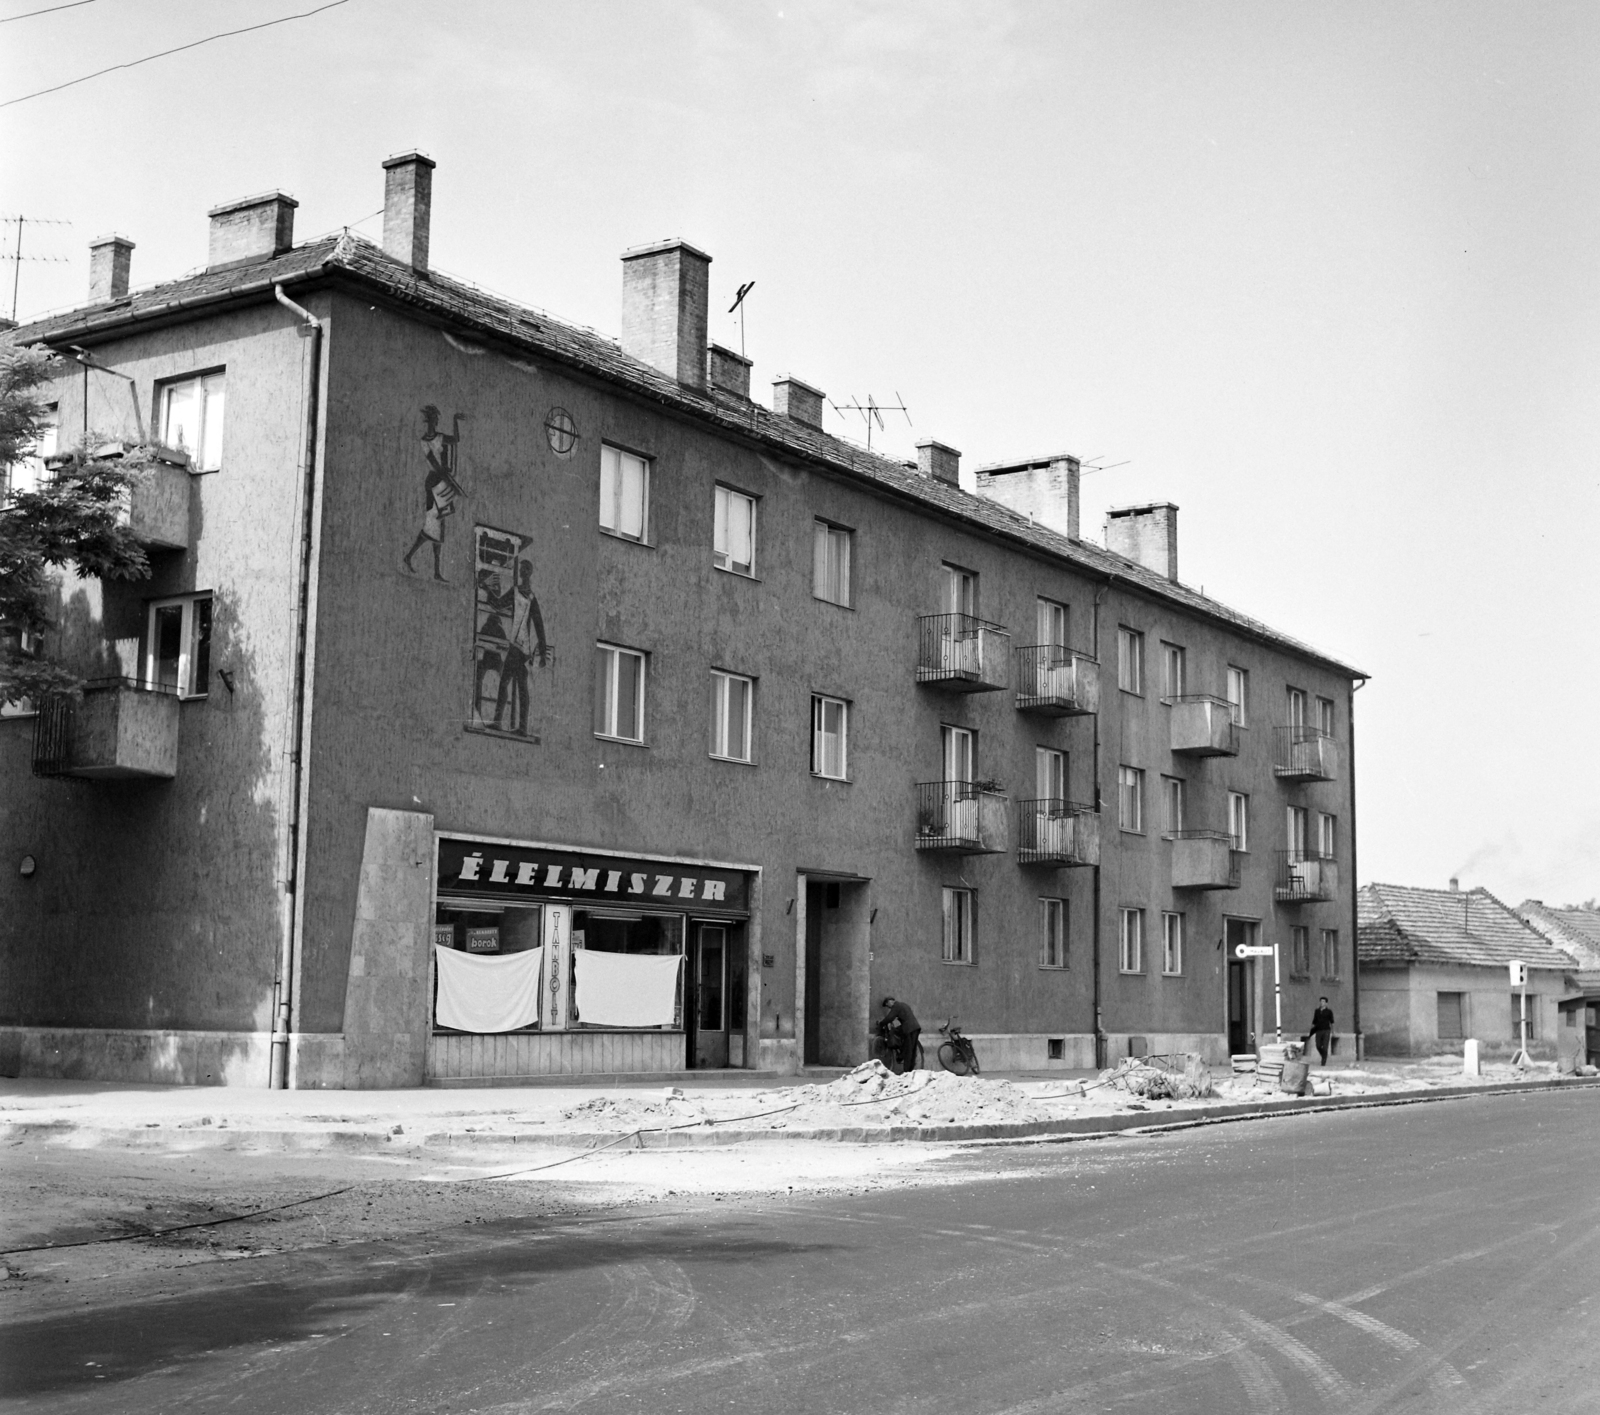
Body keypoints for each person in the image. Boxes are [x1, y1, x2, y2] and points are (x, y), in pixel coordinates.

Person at [878, 995, 921, 1075]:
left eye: (888, 1006)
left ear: (890, 1002)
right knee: (912, 1049)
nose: (889, 1008)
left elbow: (890, 1018)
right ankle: (908, 1067)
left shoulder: (896, 1006)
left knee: (908, 1050)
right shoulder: (903, 1004)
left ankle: (906, 1071)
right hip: (915, 1027)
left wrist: (881, 1024)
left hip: (909, 1029)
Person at [1308, 996, 1335, 1066]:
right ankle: (1324, 1055)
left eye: (1323, 1001)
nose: (1322, 1003)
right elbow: (1314, 1021)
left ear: (1326, 1003)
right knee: (1318, 1045)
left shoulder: (1329, 1012)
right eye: (1321, 1001)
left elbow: (1332, 1022)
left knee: (1325, 1046)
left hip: (1326, 1030)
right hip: (1318, 1030)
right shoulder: (1317, 1011)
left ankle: (1323, 1061)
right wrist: (1311, 1030)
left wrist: (1333, 1032)